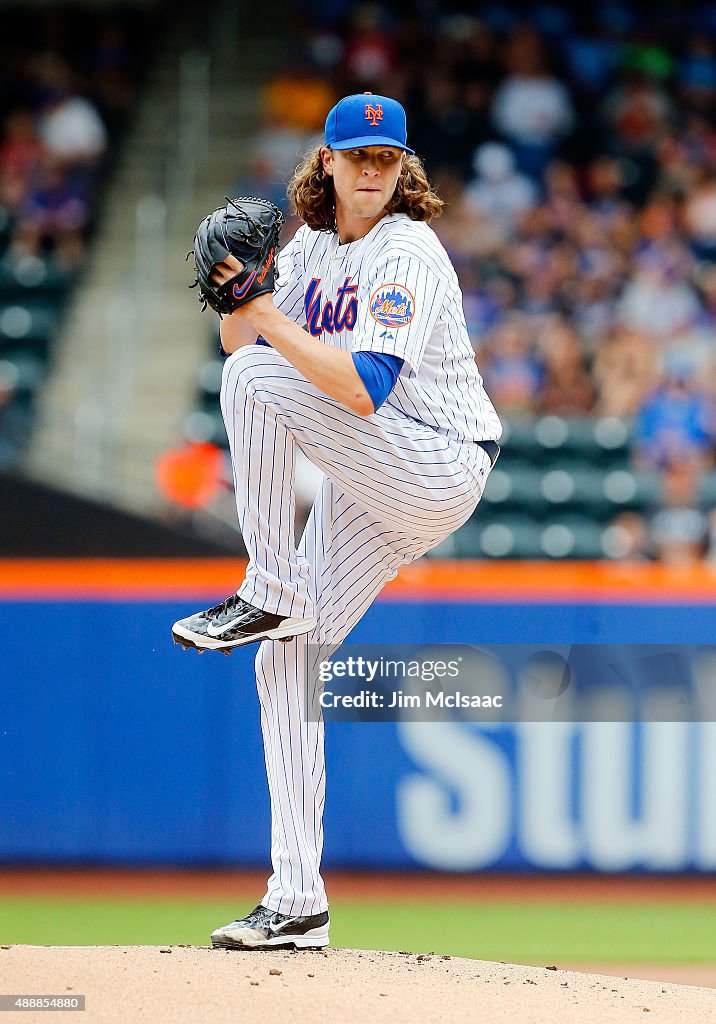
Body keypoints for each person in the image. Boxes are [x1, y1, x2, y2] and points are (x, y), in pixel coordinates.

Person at [172, 93, 502, 950]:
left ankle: (268, 584)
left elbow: (362, 388)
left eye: (385, 159)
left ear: (403, 167)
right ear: (327, 160)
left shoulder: (409, 252)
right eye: (355, 157)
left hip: (435, 462)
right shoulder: (313, 247)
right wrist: (236, 291)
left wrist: (265, 313)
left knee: (253, 384)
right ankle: (296, 901)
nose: (369, 172)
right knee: (285, 663)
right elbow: (235, 342)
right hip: (369, 482)